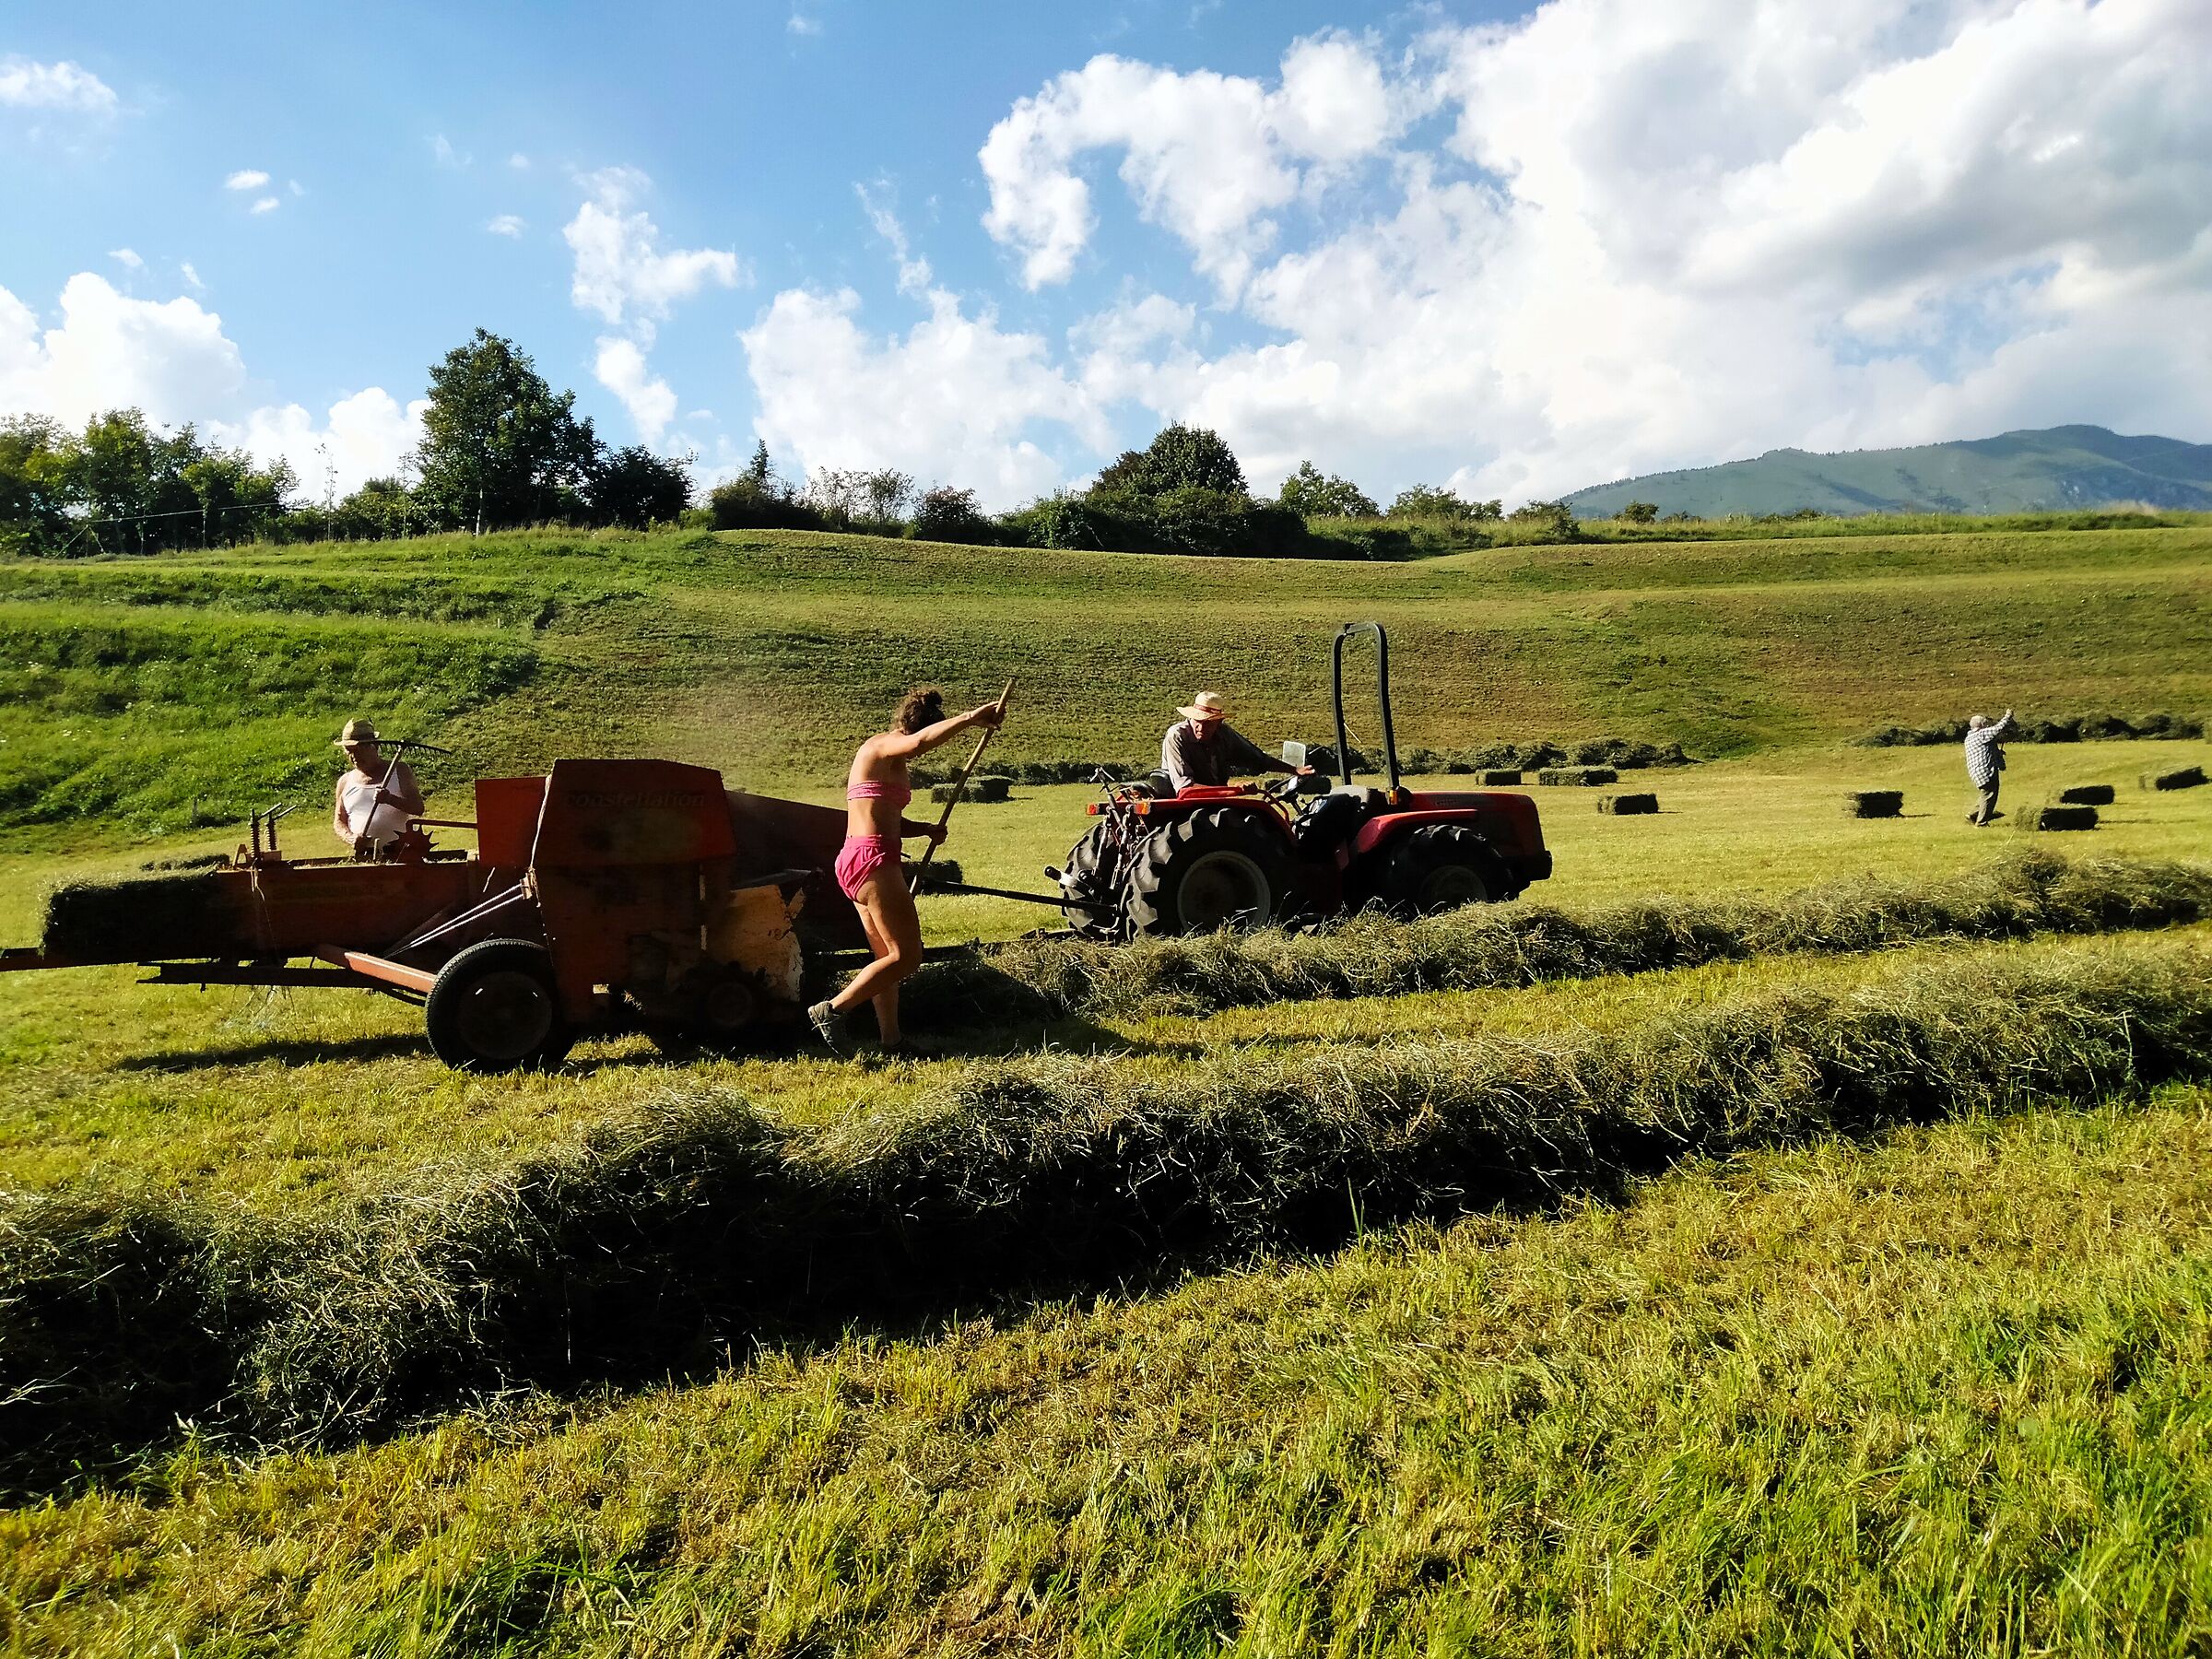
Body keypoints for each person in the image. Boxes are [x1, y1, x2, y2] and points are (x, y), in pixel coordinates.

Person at [808, 687, 1004, 1055]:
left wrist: (925, 829)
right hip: (872, 860)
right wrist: (969, 719)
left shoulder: (885, 762)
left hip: (859, 857)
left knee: (887, 960)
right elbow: (917, 745)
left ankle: (891, 1040)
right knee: (908, 956)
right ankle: (831, 1011)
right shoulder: (883, 747)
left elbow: (885, 814)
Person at [1160, 690, 1314, 792]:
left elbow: (1258, 759)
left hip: (1215, 801)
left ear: (1218, 723)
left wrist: (1294, 770)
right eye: (1197, 720)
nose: (1200, 727)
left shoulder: (1224, 735)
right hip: (1188, 804)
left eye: (1207, 722)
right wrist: (1235, 789)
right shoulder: (1177, 737)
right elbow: (1186, 788)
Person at [331, 718, 425, 853]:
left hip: (400, 854)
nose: (353, 756)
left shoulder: (399, 771)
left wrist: (390, 799)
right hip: (364, 857)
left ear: (374, 746)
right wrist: (351, 838)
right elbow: (339, 820)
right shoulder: (345, 781)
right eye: (349, 751)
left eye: (358, 750)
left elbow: (417, 808)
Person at [1963, 708, 2017, 825]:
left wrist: (1999, 759)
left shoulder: (1969, 738)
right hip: (1986, 772)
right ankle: (1981, 822)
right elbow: (1997, 729)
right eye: (1986, 723)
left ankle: (1972, 814)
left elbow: (1989, 751)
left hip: (1976, 773)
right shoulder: (1981, 734)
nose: (1988, 725)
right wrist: (2008, 716)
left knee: (1985, 793)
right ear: (1981, 725)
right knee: (1989, 795)